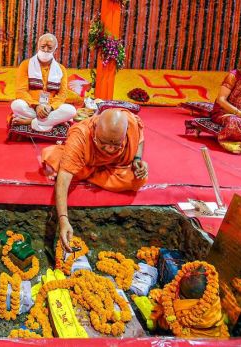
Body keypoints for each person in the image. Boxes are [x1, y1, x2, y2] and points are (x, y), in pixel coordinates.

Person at [42, 108, 148, 252]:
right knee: (57, 159)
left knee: (138, 179)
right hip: (88, 164)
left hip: (109, 167)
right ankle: (84, 170)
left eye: (116, 144)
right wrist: (63, 219)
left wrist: (137, 159)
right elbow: (64, 179)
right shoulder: (81, 135)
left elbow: (139, 138)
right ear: (95, 129)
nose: (110, 149)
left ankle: (87, 174)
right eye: (103, 143)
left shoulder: (130, 122)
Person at [10, 33, 76, 132]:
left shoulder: (61, 69)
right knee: (16, 104)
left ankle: (29, 121)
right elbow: (21, 91)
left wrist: (51, 107)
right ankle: (52, 122)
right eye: (43, 46)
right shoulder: (26, 65)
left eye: (49, 47)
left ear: (55, 49)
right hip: (31, 106)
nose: (45, 50)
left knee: (71, 110)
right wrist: (36, 106)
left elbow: (62, 94)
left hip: (50, 109)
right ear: (38, 46)